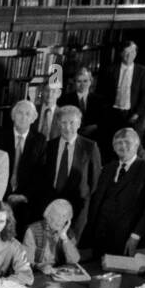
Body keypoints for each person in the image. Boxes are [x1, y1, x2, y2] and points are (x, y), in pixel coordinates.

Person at [89, 128, 145, 256]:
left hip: (127, 238)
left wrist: (135, 236)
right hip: (100, 236)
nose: (122, 146)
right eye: (118, 142)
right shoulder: (108, 168)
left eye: (127, 142)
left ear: (137, 145)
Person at [37, 104, 102, 244]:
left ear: (79, 124)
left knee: (69, 251)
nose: (67, 127)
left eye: (72, 122)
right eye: (63, 123)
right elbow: (42, 178)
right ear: (58, 124)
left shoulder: (90, 147)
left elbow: (95, 182)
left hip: (77, 209)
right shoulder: (49, 146)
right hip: (51, 206)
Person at [0, 100, 47, 227]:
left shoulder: (40, 141)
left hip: (25, 199)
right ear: (13, 116)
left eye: (28, 114)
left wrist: (24, 195)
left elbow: (40, 174)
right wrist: (3, 193)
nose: (23, 117)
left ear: (33, 119)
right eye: (20, 113)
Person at [102, 40, 145, 147]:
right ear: (121, 53)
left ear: (136, 53)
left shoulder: (142, 71)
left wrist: (137, 113)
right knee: (110, 141)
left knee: (128, 143)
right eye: (126, 52)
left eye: (132, 52)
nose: (129, 55)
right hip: (112, 112)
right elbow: (103, 92)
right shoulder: (110, 69)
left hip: (131, 114)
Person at [21, 199, 81, 273]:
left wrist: (64, 238)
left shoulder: (67, 232)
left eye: (64, 216)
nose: (60, 220)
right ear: (48, 215)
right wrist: (41, 267)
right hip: (37, 275)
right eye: (57, 215)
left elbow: (74, 260)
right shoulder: (33, 230)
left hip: (60, 274)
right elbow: (26, 261)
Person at [57, 67, 104, 141]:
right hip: (71, 136)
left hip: (94, 136)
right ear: (74, 82)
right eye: (79, 81)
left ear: (90, 82)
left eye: (85, 81)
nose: (82, 85)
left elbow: (103, 121)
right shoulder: (65, 99)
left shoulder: (100, 100)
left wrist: (94, 127)